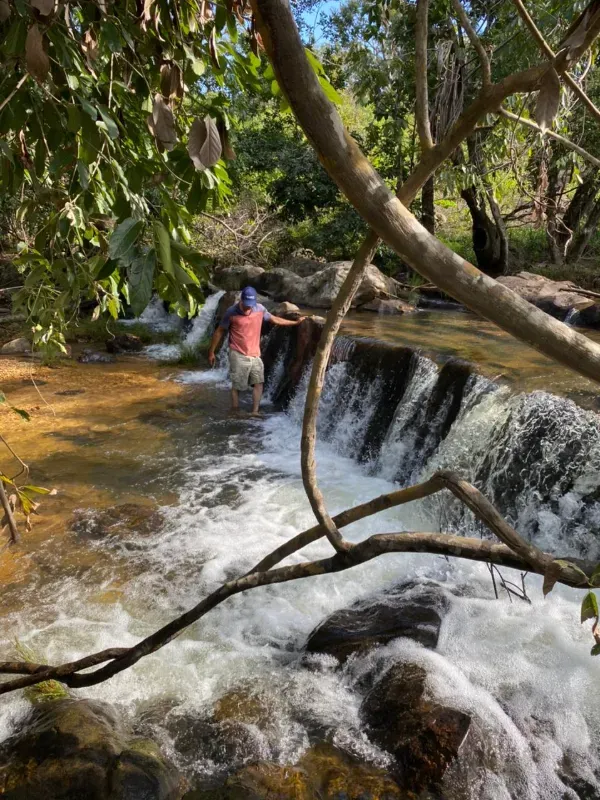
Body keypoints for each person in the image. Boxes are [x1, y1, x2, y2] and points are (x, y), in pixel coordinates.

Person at [208, 286, 306, 416]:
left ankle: (255, 412)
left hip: (255, 354)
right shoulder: (231, 312)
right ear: (241, 300)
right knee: (238, 386)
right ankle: (235, 411)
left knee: (259, 383)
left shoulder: (260, 309)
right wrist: (211, 352)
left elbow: (275, 319)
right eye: (246, 304)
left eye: (251, 304)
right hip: (238, 354)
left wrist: (295, 323)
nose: (249, 307)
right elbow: (219, 331)